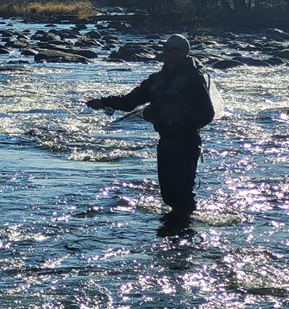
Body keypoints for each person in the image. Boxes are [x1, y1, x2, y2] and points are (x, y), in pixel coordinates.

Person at [86, 34, 214, 222]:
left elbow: (207, 114)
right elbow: (130, 102)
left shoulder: (194, 79)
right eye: (165, 49)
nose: (166, 53)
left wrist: (181, 125)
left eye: (171, 49)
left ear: (182, 53)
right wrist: (103, 101)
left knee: (182, 193)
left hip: (186, 142)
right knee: (168, 195)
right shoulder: (156, 80)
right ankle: (176, 231)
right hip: (166, 142)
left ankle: (185, 238)